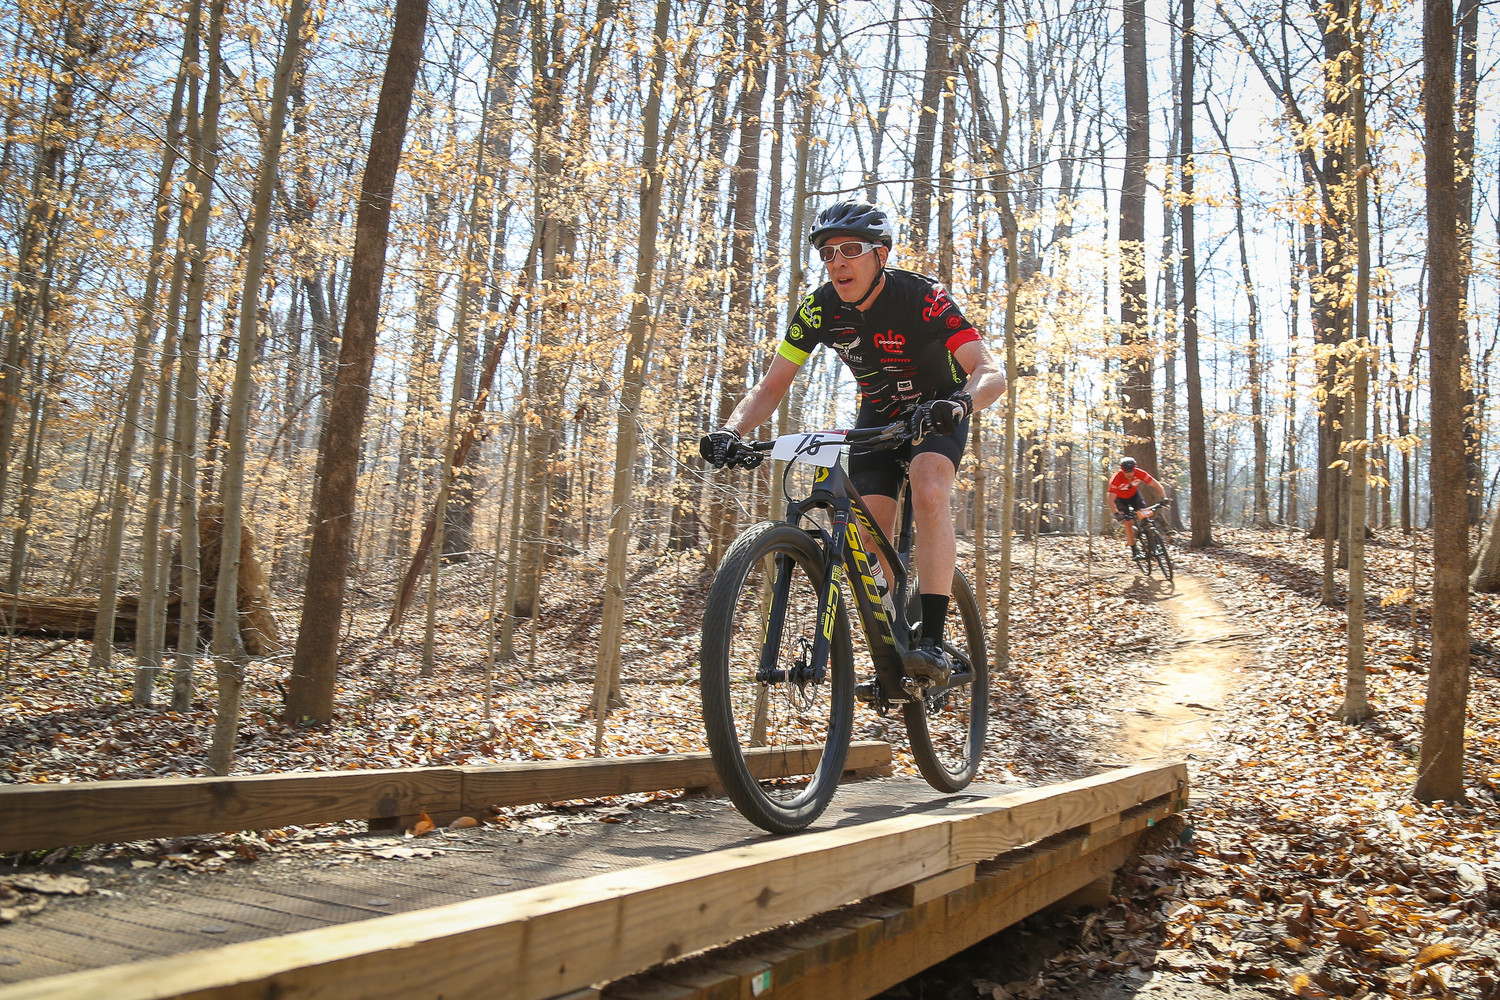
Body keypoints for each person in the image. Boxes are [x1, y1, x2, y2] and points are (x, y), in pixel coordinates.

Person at [700, 199, 1006, 684]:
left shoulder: (923, 297)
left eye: (850, 250)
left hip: (937, 411)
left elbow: (990, 372)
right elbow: (771, 386)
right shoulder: (819, 308)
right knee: (869, 533)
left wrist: (960, 404)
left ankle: (932, 641)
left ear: (880, 255)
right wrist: (731, 431)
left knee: (928, 486)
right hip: (878, 419)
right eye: (828, 252)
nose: (837, 262)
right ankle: (893, 643)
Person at [1107, 457, 1165, 556]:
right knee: (1128, 523)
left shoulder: (1139, 473)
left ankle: (1155, 543)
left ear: (1135, 469)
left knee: (1146, 517)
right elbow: (1110, 499)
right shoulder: (1116, 479)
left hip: (1134, 496)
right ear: (1122, 470)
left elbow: (1156, 484)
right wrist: (1116, 513)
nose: (1130, 473)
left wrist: (1164, 498)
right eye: (1126, 471)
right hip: (1120, 500)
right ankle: (1134, 550)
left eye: (1131, 471)